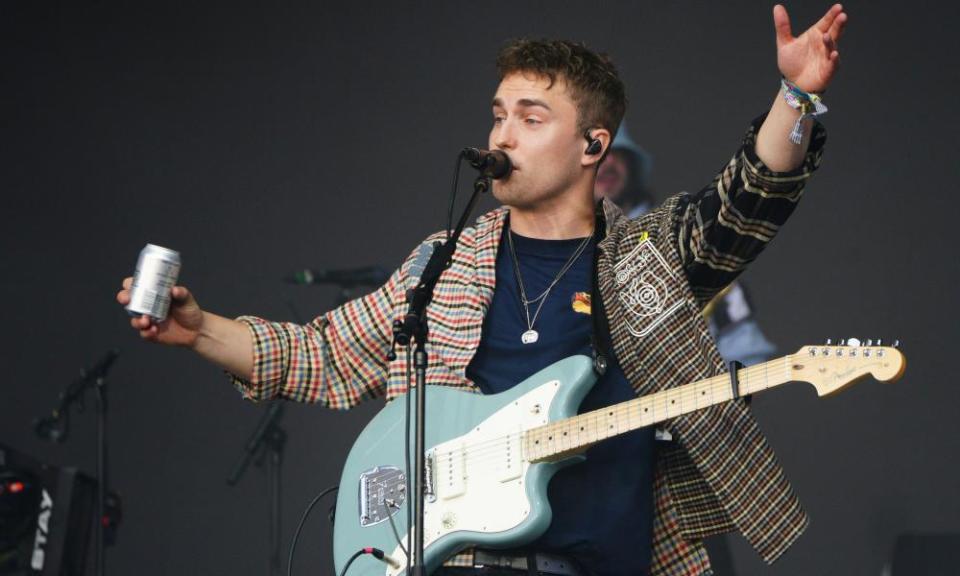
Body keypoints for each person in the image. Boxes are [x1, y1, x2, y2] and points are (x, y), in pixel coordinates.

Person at [117, 5, 847, 575]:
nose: (504, 135)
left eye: (532, 119)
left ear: (594, 145)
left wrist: (793, 94)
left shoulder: (647, 257)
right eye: (499, 114)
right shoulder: (447, 263)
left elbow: (747, 199)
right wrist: (199, 328)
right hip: (457, 562)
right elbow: (321, 354)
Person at [595, 124, 777, 367]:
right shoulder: (544, 251)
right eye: (595, 152)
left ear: (633, 166)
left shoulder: (684, 237)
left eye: (618, 153)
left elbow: (747, 356)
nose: (607, 162)